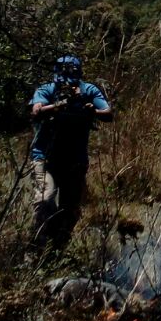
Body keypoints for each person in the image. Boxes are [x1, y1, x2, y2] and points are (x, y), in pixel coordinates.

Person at [28, 54, 113, 252]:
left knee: (70, 209)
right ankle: (35, 250)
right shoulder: (46, 90)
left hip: (75, 160)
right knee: (45, 199)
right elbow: (35, 111)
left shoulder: (89, 91)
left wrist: (92, 111)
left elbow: (108, 114)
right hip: (45, 158)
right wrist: (57, 106)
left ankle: (58, 250)